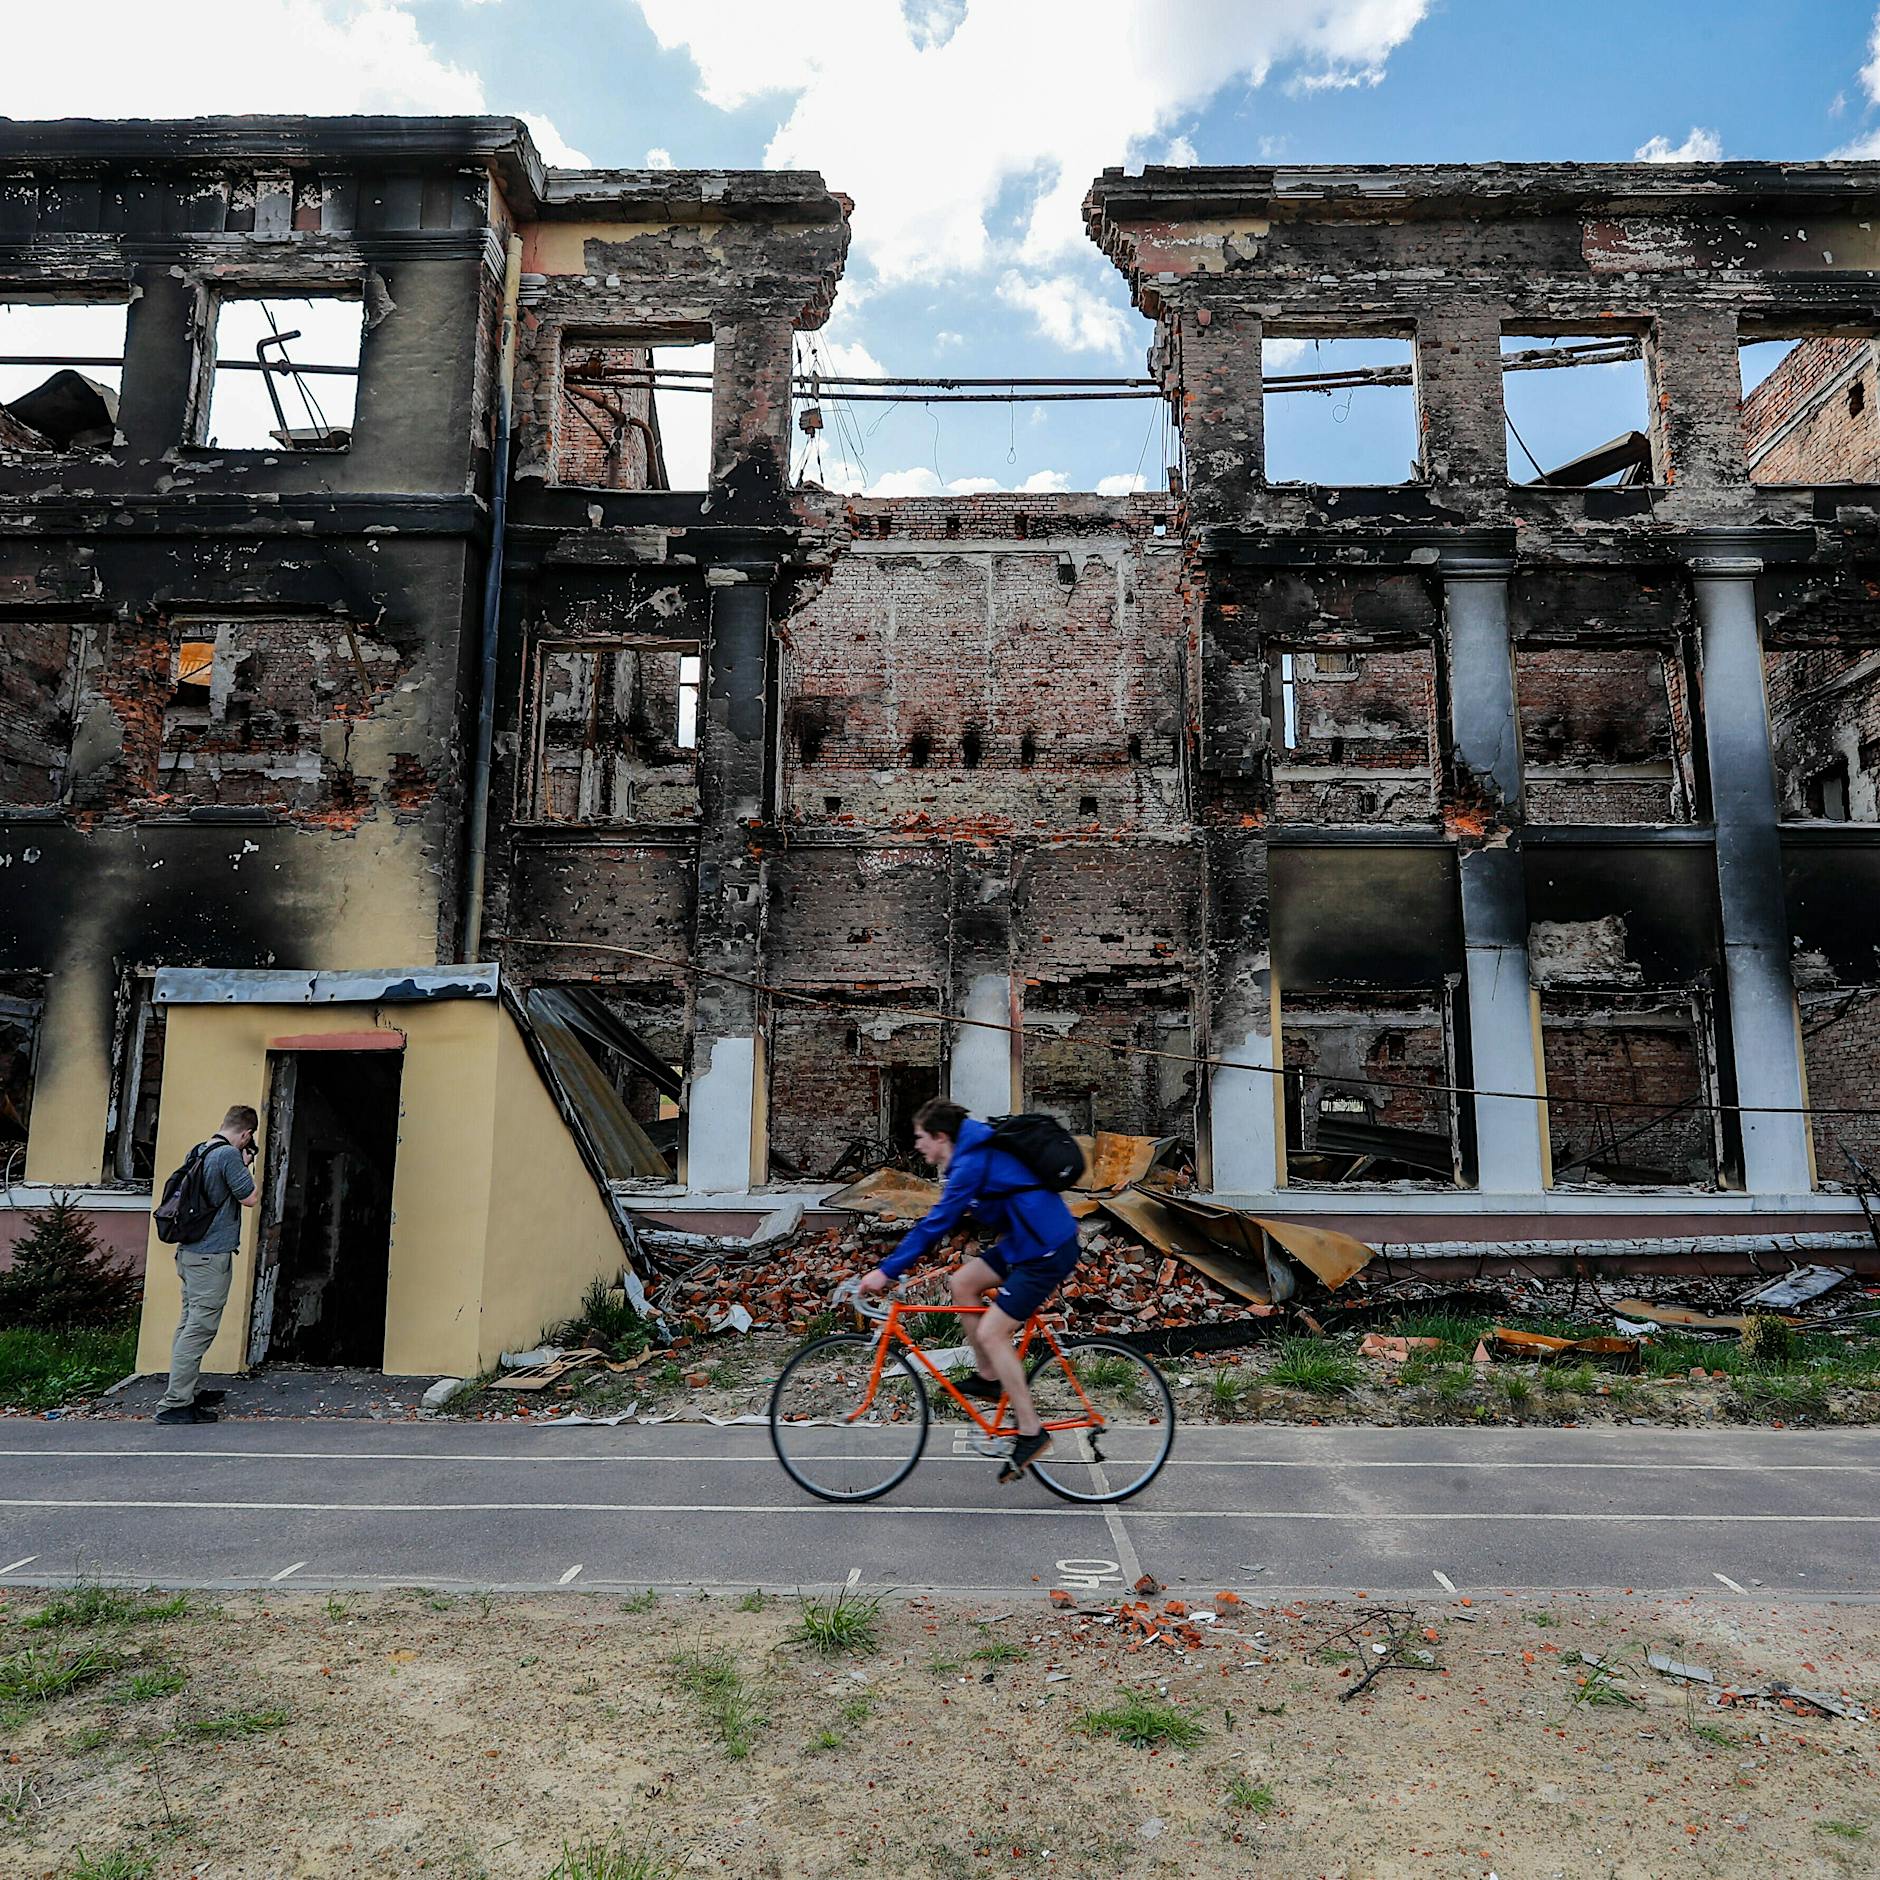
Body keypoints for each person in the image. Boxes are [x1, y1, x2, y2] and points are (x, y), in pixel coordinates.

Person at [859, 1098, 1079, 1480]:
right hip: (1023, 1242)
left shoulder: (971, 1163)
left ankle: (1031, 1430)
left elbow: (935, 1224)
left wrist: (886, 1271)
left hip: (1046, 1248)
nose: (917, 1145)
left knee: (994, 1332)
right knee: (962, 1282)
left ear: (942, 1137)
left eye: (921, 1137)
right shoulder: (968, 1156)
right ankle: (990, 1377)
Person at [154, 1104, 260, 1426]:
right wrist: (245, 1165)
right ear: (246, 1134)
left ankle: (183, 1392)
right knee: (199, 1330)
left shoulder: (201, 1148)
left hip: (191, 1254)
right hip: (210, 1257)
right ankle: (175, 1404)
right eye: (248, 1139)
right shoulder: (228, 1155)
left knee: (188, 1325)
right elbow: (250, 1197)